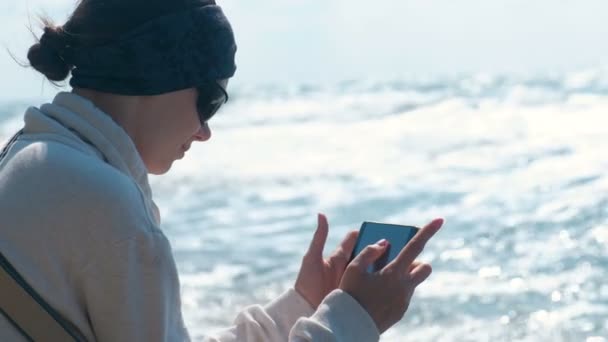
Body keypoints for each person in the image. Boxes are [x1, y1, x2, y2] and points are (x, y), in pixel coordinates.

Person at [0, 0, 444, 341]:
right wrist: (352, 319)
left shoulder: (31, 161)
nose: (204, 132)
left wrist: (302, 305)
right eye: (210, 101)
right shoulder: (102, 200)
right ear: (158, 75)